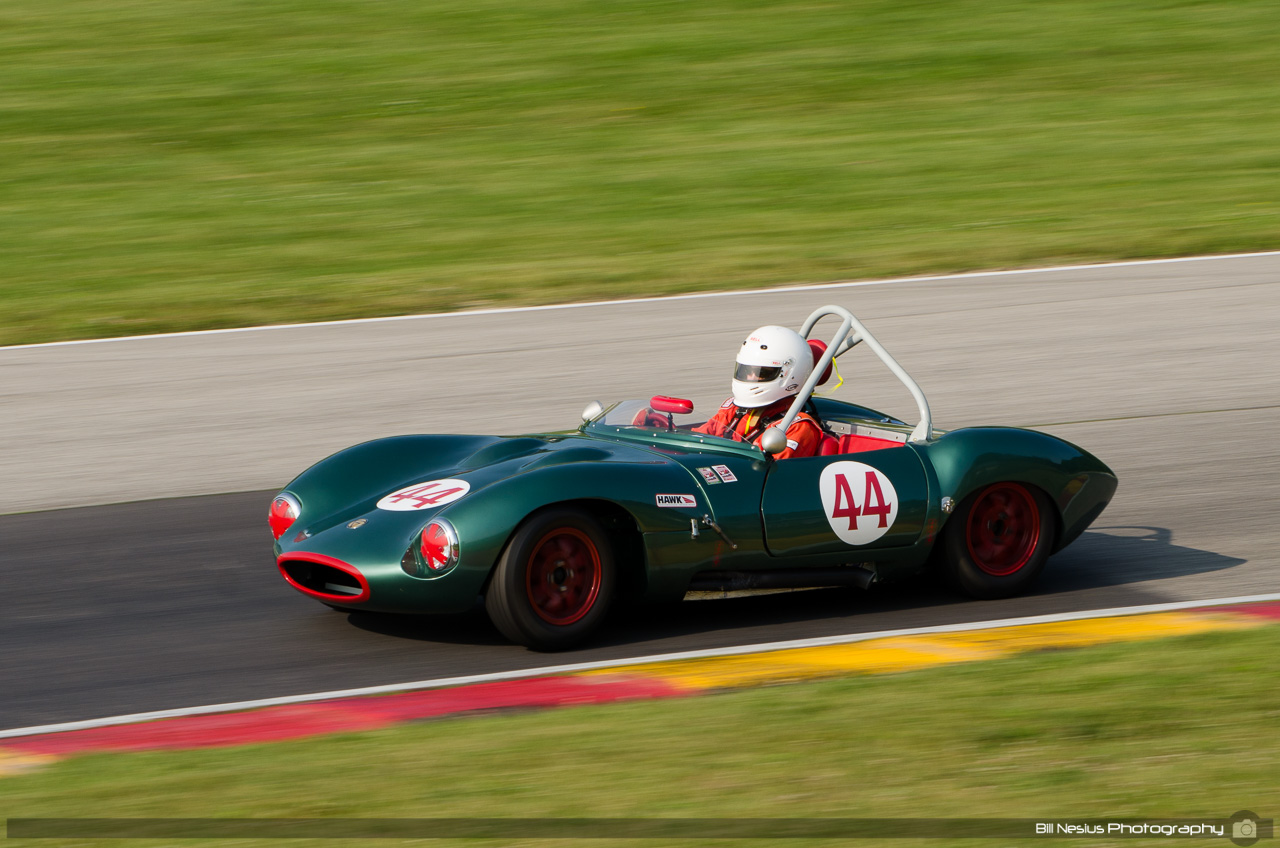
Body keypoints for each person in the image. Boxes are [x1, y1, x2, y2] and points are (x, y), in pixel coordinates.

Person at [693, 325, 824, 459]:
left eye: (762, 372)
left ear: (789, 375)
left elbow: (774, 473)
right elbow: (698, 438)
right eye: (746, 371)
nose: (750, 378)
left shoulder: (798, 427)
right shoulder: (733, 410)